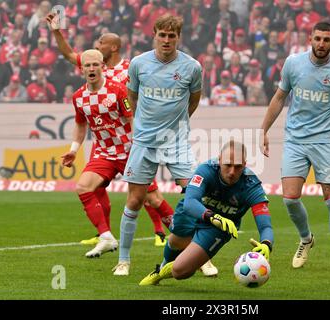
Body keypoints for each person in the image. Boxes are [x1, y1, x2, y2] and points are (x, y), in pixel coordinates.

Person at [46, 13, 174, 248]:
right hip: (104, 142)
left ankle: (161, 230)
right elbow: (67, 54)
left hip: (129, 136)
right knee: (92, 186)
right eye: (88, 63)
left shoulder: (129, 68)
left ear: (112, 48)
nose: (96, 46)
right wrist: (56, 31)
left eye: (101, 43)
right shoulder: (90, 67)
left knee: (146, 193)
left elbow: (143, 97)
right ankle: (104, 234)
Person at [112, 14, 218, 277]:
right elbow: (132, 96)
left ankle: (200, 257)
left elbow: (193, 101)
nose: (167, 40)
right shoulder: (139, 64)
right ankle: (124, 260)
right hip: (145, 142)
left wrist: (176, 124)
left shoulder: (192, 67)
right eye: (163, 35)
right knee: (135, 200)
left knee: (194, 197)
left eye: (172, 36)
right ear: (154, 35)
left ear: (178, 38)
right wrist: (146, 126)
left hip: (177, 141)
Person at [260, 22, 330, 273]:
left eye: (326, 40)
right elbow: (279, 97)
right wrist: (263, 130)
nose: (321, 44)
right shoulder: (293, 63)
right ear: (310, 38)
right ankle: (306, 239)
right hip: (295, 140)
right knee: (290, 199)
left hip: (325, 140)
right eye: (317, 39)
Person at [139, 140, 274, 286]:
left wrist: (266, 244)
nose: (232, 172)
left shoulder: (252, 186)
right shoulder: (206, 170)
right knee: (174, 242)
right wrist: (212, 216)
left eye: (238, 167)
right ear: (219, 159)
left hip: (219, 227)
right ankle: (161, 267)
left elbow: (265, 226)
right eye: (228, 165)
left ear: (245, 164)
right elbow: (190, 202)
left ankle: (163, 272)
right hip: (194, 212)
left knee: (180, 271)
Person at [61, 49, 131, 258]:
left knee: (152, 199)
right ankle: (106, 237)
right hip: (105, 153)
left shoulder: (118, 90)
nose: (91, 69)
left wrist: (138, 146)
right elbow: (81, 126)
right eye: (87, 66)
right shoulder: (79, 97)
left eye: (95, 65)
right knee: (83, 187)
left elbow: (133, 119)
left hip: (129, 150)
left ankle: (191, 246)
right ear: (81, 69)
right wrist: (74, 150)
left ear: (103, 67)